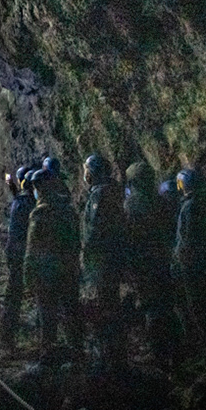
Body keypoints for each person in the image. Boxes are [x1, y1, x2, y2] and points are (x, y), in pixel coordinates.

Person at [25, 164, 81, 364]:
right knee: (71, 312)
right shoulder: (68, 210)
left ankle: (48, 357)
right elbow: (77, 241)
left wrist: (29, 276)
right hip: (69, 270)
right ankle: (77, 353)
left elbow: (32, 249)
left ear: (39, 189)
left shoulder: (40, 214)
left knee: (47, 316)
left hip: (47, 274)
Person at [123, 161, 177, 365]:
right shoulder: (161, 201)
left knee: (151, 307)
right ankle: (175, 350)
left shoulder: (131, 205)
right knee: (166, 304)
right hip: (163, 260)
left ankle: (159, 354)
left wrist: (128, 265)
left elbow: (128, 237)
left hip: (143, 263)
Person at [81, 153, 125, 368]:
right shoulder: (113, 190)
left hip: (103, 259)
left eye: (87, 170)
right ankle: (115, 353)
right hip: (113, 256)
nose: (85, 174)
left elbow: (95, 230)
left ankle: (110, 356)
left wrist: (87, 254)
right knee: (111, 302)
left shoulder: (100, 195)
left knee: (106, 305)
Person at [172, 167, 206, 347]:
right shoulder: (198, 203)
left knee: (195, 302)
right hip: (199, 259)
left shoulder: (189, 206)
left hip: (190, 262)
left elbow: (187, 237)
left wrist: (180, 257)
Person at [1, 163, 36, 349]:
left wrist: (10, 185)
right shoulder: (30, 204)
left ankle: (8, 332)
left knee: (13, 292)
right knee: (17, 292)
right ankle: (9, 334)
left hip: (16, 252)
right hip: (24, 253)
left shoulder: (20, 203)